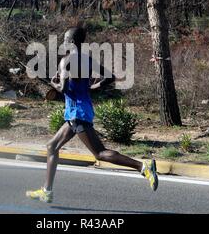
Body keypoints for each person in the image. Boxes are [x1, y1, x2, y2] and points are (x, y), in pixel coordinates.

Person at [26, 26, 158, 203]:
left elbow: (63, 88)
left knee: (100, 153)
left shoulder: (66, 61)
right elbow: (109, 77)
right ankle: (46, 191)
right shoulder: (88, 60)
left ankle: (143, 166)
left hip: (76, 113)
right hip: (80, 111)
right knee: (52, 146)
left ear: (71, 42)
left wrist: (54, 83)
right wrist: (91, 87)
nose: (62, 43)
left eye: (65, 40)